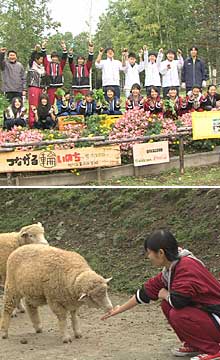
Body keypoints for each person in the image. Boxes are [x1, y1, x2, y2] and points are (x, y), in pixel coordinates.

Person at [101, 229, 220, 360]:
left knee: (177, 312)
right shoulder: (172, 267)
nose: (148, 257)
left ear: (161, 253)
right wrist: (118, 310)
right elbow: (146, 292)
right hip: (209, 315)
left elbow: (178, 301)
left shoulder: (186, 267)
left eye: (149, 253)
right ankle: (196, 345)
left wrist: (164, 294)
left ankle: (213, 350)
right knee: (167, 306)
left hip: (216, 315)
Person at [41, 40, 67, 106]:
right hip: (50, 87)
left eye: (56, 57)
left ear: (58, 58)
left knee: (60, 102)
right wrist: (43, 47)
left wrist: (64, 48)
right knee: (50, 102)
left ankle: (60, 114)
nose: (54, 59)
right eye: (53, 57)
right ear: (51, 58)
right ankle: (50, 114)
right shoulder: (47, 64)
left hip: (58, 87)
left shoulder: (60, 65)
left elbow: (64, 58)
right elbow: (44, 57)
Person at [27, 46, 47, 128]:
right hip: (33, 87)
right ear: (36, 59)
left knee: (40, 105)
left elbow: (44, 79)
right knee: (33, 105)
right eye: (40, 59)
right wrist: (35, 50)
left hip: (40, 88)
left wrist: (44, 88)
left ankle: (38, 122)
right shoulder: (32, 65)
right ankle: (31, 123)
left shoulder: (42, 68)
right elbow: (31, 58)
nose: (42, 61)